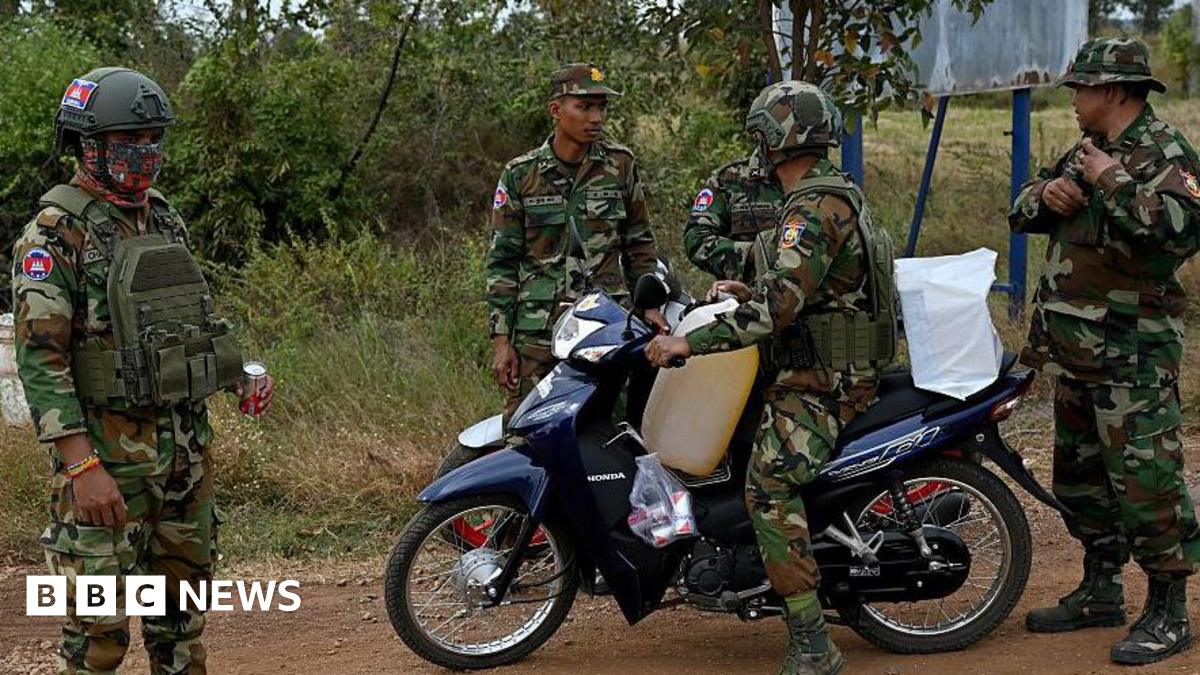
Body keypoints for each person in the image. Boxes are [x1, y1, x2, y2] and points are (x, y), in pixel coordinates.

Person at [12, 67, 275, 674]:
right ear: (88, 146)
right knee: (99, 638)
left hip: (184, 458)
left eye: (156, 139)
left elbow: (192, 321)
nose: (148, 154)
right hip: (106, 466)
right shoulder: (55, 236)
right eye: (134, 140)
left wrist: (240, 373)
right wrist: (81, 465)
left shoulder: (163, 219)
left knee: (182, 627)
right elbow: (41, 361)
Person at [647, 81, 896, 675]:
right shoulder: (825, 195)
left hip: (825, 378)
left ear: (776, 141)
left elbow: (776, 309)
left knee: (768, 487)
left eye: (761, 136)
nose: (756, 148)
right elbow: (797, 287)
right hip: (818, 364)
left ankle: (813, 643)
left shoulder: (812, 207)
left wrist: (690, 342)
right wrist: (749, 286)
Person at [1009, 37, 1200, 665]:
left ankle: (1170, 611)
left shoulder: (1162, 152)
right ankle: (1100, 590)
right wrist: (1048, 197)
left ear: (1113, 91)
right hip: (1076, 352)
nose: (1073, 101)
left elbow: (1180, 231)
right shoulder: (1086, 151)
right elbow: (1023, 205)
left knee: (1147, 485)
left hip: (1133, 356)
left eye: (1081, 89)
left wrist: (1111, 181)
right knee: (1084, 483)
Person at [485, 63, 665, 423]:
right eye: (585, 107)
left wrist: (650, 305)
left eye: (601, 107)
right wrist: (501, 340)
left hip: (606, 326)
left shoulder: (620, 166)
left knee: (612, 430)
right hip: (538, 333)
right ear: (556, 110)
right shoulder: (521, 175)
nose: (596, 117)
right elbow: (502, 261)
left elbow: (639, 243)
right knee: (528, 430)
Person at [683, 137, 786, 284]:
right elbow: (696, 238)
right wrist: (753, 252)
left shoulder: (820, 179)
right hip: (745, 298)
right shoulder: (730, 180)